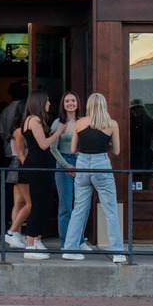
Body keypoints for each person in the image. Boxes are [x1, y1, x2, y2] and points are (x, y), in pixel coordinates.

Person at [61, 93, 127, 264]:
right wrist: (106, 142)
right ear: (104, 105)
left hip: (82, 163)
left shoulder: (80, 123)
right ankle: (118, 252)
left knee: (79, 209)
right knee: (110, 210)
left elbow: (74, 148)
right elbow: (117, 151)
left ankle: (70, 248)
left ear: (89, 105)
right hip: (101, 164)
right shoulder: (112, 124)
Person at [18, 90, 66, 259]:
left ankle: (36, 239)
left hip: (39, 165)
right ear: (39, 102)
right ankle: (30, 246)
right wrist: (58, 133)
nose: (49, 104)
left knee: (44, 203)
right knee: (39, 204)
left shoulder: (30, 120)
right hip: (37, 166)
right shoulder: (35, 120)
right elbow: (43, 145)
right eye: (47, 101)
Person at [51, 91, 85, 248]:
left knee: (81, 204)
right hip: (63, 162)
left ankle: (80, 240)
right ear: (63, 105)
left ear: (78, 103)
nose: (70, 103)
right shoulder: (58, 123)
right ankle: (65, 242)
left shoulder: (84, 121)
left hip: (82, 163)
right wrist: (65, 165)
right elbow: (53, 148)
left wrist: (80, 164)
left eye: (73, 100)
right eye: (67, 101)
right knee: (65, 205)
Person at [0, 82, 29, 248]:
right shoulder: (22, 127)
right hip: (20, 162)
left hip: (9, 157)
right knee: (28, 203)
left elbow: (1, 132)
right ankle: (12, 232)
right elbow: (23, 152)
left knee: (17, 202)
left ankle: (15, 233)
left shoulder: (6, 110)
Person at [129, 99, 153, 189]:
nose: (136, 111)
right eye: (133, 109)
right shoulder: (127, 122)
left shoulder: (151, 123)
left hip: (145, 154)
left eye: (138, 108)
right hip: (131, 154)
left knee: (145, 181)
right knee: (132, 181)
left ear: (143, 109)